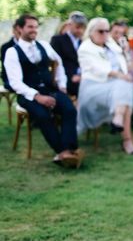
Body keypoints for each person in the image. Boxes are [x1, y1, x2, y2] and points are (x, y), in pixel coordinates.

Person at [4, 14, 81, 167]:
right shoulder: (12, 52)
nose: (34, 30)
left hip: (50, 90)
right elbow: (15, 82)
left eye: (35, 27)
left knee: (69, 109)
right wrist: (37, 96)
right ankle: (64, 152)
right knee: (42, 115)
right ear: (20, 29)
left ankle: (66, 150)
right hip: (27, 95)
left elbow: (59, 63)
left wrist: (63, 85)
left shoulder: (44, 45)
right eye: (30, 27)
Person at [77, 18, 133, 155]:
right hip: (94, 87)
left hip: (117, 87)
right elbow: (97, 70)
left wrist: (125, 51)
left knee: (124, 87)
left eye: (106, 31)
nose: (105, 34)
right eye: (101, 31)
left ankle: (119, 118)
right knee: (125, 86)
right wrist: (120, 75)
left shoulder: (111, 44)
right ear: (91, 32)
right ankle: (127, 140)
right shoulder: (85, 48)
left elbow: (125, 64)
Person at [50, 11, 87, 97]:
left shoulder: (83, 43)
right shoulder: (58, 40)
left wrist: (82, 75)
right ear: (70, 25)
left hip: (83, 77)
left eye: (83, 28)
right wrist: (72, 76)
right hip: (66, 78)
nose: (80, 30)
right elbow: (56, 63)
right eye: (77, 27)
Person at [1, 21, 21, 90]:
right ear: (13, 31)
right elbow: (6, 68)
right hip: (11, 78)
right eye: (19, 32)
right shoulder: (6, 47)